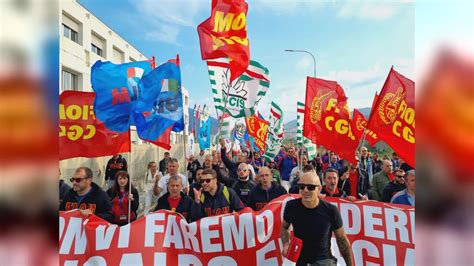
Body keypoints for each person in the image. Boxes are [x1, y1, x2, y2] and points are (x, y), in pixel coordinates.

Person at [281, 171, 354, 266]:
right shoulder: (291, 206)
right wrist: (286, 243)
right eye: (302, 187)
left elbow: (342, 241)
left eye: (310, 187)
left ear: (319, 189)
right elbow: (284, 227)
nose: (305, 190)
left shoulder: (331, 210)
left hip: (324, 260)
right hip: (299, 259)